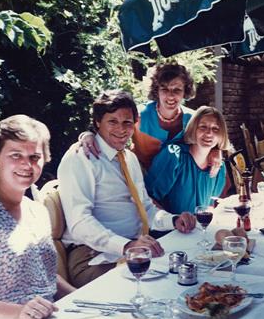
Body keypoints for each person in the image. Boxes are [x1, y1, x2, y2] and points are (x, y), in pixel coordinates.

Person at [58, 90, 196, 288]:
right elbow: (79, 224)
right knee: (157, 286)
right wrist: (126, 246)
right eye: (112, 121)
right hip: (92, 256)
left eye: (127, 123)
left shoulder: (129, 158)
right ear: (98, 122)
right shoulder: (81, 157)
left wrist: (173, 220)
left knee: (185, 269)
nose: (121, 129)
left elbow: (145, 208)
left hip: (135, 247)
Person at [0, 115, 75, 319]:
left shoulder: (37, 210)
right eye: (15, 155)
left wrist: (81, 297)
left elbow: (44, 276)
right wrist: (19, 313)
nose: (26, 165)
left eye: (34, 157)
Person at [77, 62, 222, 175]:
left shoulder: (193, 118)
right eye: (164, 89)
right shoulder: (139, 115)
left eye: (177, 90)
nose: (170, 96)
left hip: (179, 182)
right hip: (142, 180)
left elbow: (216, 136)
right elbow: (107, 128)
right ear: (156, 90)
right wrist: (88, 135)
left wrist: (216, 150)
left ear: (185, 92)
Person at [146, 106, 232, 214]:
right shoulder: (174, 157)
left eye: (215, 129)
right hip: (170, 229)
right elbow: (146, 199)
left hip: (200, 228)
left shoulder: (218, 166)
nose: (209, 133)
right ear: (193, 129)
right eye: (203, 127)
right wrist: (173, 220)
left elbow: (212, 205)